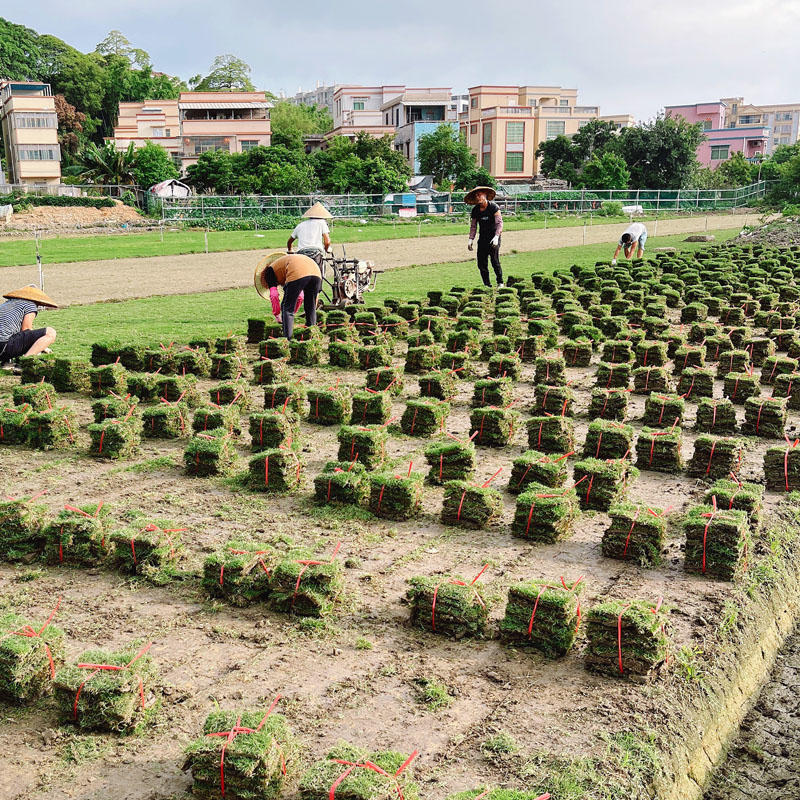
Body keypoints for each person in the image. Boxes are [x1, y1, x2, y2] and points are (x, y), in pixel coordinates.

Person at [255, 253, 322, 340]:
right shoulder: (283, 264)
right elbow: (300, 296)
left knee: (287, 308)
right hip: (316, 273)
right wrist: (293, 313)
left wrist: (277, 315)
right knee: (310, 307)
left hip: (298, 273)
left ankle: (287, 339)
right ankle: (312, 336)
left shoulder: (269, 272)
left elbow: (274, 295)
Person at [0, 285, 58, 366]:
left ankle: (7, 363)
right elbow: (26, 329)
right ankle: (26, 363)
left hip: (3, 346)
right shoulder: (30, 305)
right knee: (51, 333)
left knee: (11, 334)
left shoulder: (8, 303)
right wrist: (42, 346)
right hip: (4, 347)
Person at [465, 186, 504, 287]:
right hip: (482, 238)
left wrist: (496, 236)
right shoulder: (475, 210)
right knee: (481, 263)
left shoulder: (493, 207)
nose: (478, 197)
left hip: (493, 237)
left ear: (485, 195)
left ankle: (500, 282)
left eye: (479, 195)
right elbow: (473, 226)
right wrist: (470, 239)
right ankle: (487, 285)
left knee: (494, 261)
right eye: (476, 196)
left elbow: (499, 223)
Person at [287, 201, 332, 275]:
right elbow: (327, 241)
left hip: (301, 254)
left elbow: (289, 241)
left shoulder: (300, 225)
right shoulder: (322, 223)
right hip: (316, 253)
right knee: (318, 276)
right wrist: (327, 249)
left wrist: (290, 249)